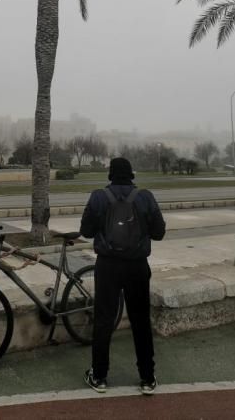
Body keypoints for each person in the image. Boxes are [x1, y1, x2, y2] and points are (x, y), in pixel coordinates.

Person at [79, 157, 166, 395]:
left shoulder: (98, 196)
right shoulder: (145, 197)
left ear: (110, 174)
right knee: (140, 320)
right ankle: (147, 378)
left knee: (104, 320)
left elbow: (85, 231)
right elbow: (159, 233)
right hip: (137, 266)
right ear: (131, 175)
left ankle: (99, 376)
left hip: (107, 266)